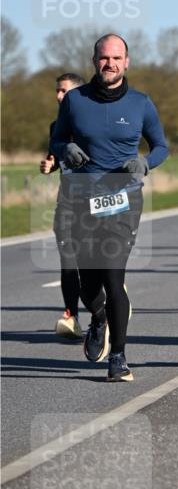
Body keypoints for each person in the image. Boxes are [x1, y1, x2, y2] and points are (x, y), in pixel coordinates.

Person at [51, 34, 169, 382]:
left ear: (127, 62)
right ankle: (98, 316)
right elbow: (56, 138)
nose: (110, 64)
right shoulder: (74, 101)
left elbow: (161, 145)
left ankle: (118, 357)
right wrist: (64, 150)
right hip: (82, 201)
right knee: (89, 285)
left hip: (124, 201)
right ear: (94, 61)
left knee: (114, 277)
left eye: (117, 58)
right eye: (104, 58)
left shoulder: (141, 103)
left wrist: (146, 163)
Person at [40, 72, 85, 338]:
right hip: (67, 201)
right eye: (57, 91)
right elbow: (54, 157)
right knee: (68, 261)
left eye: (63, 91)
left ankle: (109, 306)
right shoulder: (56, 126)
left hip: (94, 202)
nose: (58, 96)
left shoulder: (92, 125)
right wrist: (49, 165)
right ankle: (72, 316)